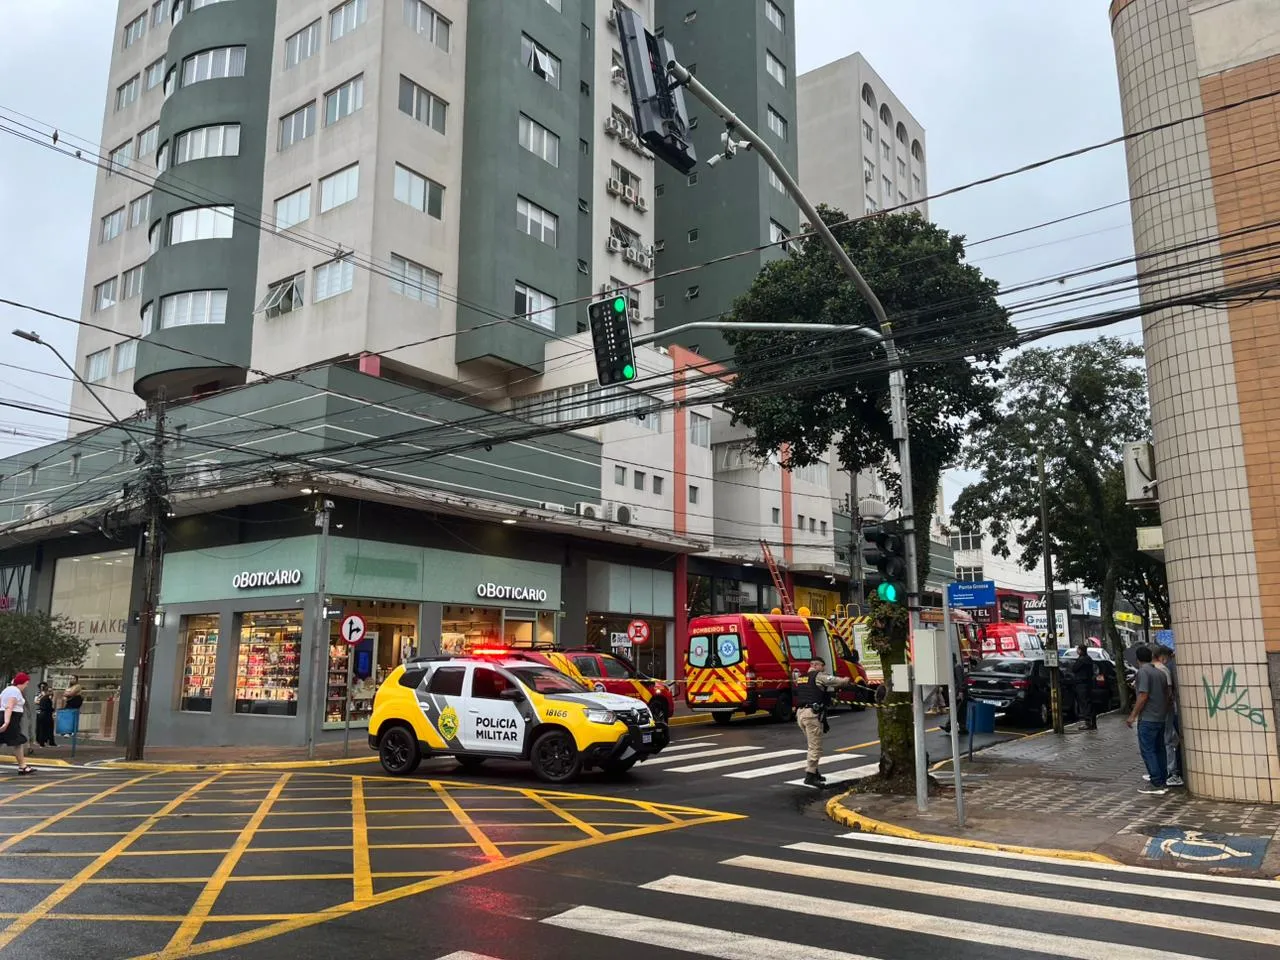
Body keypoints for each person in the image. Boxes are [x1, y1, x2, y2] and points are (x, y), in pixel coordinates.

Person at [795, 657, 854, 787]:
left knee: (812, 744)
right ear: (816, 665)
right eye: (823, 666)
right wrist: (845, 681)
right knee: (815, 746)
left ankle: (815, 772)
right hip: (811, 715)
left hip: (801, 714)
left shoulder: (801, 677)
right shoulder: (819, 676)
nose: (824, 669)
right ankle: (810, 775)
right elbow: (834, 681)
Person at [1127, 647, 1170, 794]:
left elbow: (1143, 695)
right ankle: (1162, 780)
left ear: (1137, 659)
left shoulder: (1143, 673)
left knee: (1148, 750)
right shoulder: (1160, 673)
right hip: (1160, 717)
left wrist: (1133, 715)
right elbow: (1167, 694)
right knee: (1160, 749)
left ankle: (1156, 782)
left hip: (1148, 718)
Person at [1154, 645, 1183, 787]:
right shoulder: (1170, 666)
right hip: (1172, 710)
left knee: (1168, 740)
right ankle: (1171, 770)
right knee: (1171, 738)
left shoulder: (1166, 669)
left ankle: (1172, 772)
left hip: (1170, 710)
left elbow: (1169, 692)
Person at [0, 673, 35, 775]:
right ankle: (22, 766)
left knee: (7, 740)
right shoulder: (15, 691)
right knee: (17, 741)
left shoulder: (7, 690)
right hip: (11, 718)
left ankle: (22, 766)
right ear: (22, 682)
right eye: (26, 683)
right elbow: (9, 707)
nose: (26, 686)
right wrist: (7, 722)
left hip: (4, 716)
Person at [1071, 644, 1097, 730]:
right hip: (1088, 683)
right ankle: (1092, 722)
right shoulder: (1088, 659)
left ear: (1081, 650)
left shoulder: (1082, 660)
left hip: (1082, 684)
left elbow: (1074, 669)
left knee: (1085, 703)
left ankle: (1088, 723)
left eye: (1078, 649)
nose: (1076, 651)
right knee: (1089, 703)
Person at [34, 681, 56, 748]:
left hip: (45, 713)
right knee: (42, 728)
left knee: (45, 728)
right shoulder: (43, 696)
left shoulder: (48, 697)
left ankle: (45, 741)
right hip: (43, 713)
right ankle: (41, 742)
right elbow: (36, 702)